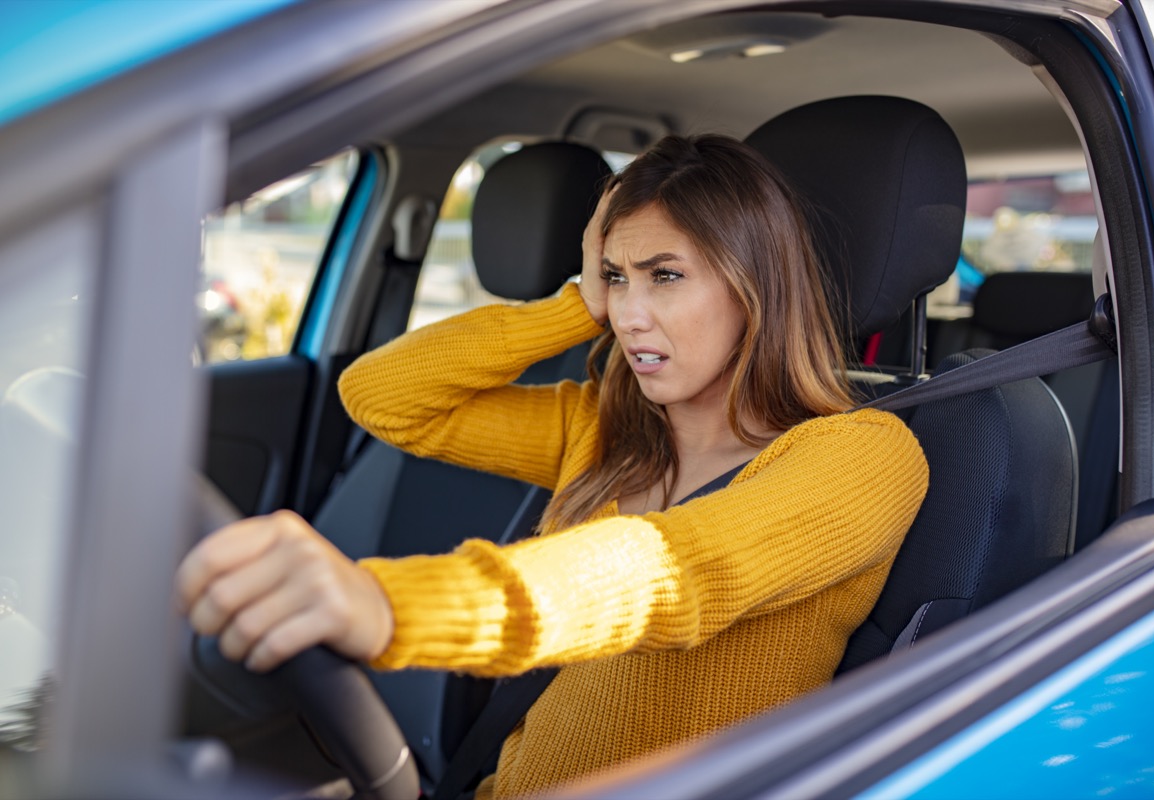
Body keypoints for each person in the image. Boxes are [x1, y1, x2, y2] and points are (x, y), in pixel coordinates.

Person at [176, 134, 929, 798]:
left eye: (665, 275)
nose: (630, 314)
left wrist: (385, 603)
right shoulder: (601, 429)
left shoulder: (859, 454)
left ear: (754, 284)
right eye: (616, 276)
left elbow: (671, 572)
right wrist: (574, 304)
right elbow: (381, 396)